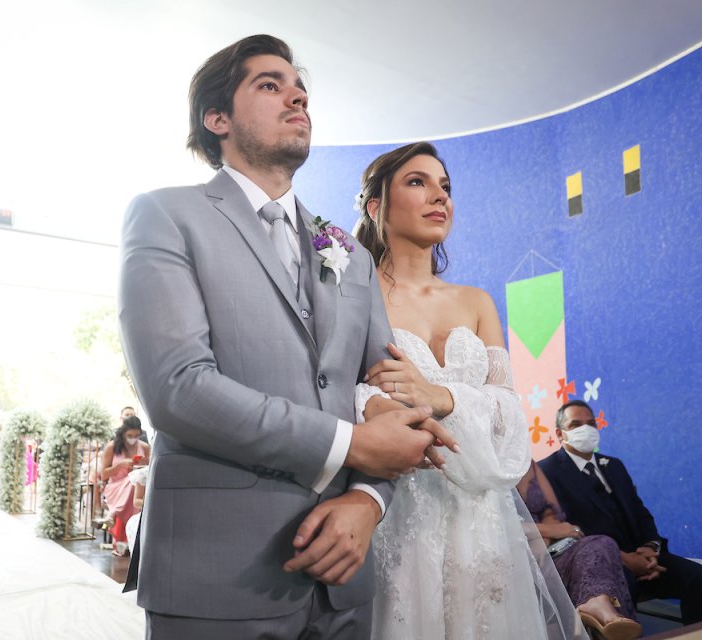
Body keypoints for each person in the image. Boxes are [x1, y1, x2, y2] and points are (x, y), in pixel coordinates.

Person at [118, 34, 456, 639]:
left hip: (345, 578)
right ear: (216, 118)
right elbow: (178, 389)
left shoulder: (346, 251)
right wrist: (350, 447)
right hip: (219, 575)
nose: (297, 97)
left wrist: (368, 502)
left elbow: (388, 390)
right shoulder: (167, 215)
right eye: (269, 85)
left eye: (300, 89)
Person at [354, 141, 582, 639]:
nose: (440, 196)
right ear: (377, 207)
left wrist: (445, 397)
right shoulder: (353, 297)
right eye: (418, 182)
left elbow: (509, 416)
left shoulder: (476, 301)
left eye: (446, 186)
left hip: (483, 517)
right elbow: (343, 397)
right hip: (404, 511)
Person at [540, 400, 702, 626]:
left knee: (700, 579)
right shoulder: (547, 471)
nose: (585, 430)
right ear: (559, 433)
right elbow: (566, 530)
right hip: (600, 564)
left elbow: (639, 511)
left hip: (642, 556)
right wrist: (625, 560)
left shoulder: (613, 465)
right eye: (575, 425)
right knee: (622, 590)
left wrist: (649, 549)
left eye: (590, 423)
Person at [518, 460, 642, 640]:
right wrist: (546, 531)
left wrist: (544, 539)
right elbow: (492, 526)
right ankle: (599, 622)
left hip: (548, 552)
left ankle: (597, 603)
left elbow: (551, 513)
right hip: (515, 561)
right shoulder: (476, 463)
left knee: (601, 543)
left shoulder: (528, 462)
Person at [101, 416, 150, 553]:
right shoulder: (112, 447)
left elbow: (149, 469)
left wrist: (141, 466)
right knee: (131, 484)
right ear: (123, 433)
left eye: (136, 435)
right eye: (130, 435)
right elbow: (103, 474)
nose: (133, 438)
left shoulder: (145, 447)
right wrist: (120, 465)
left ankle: (113, 514)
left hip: (136, 487)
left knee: (134, 483)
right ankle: (121, 535)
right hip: (116, 486)